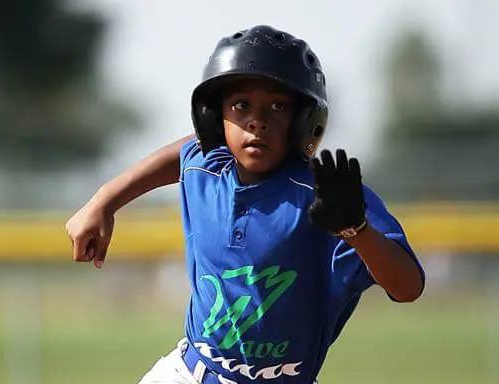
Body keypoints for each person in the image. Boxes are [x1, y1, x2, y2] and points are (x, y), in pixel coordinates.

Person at [65, 25, 425, 384]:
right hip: (187, 374)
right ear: (214, 118)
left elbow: (408, 287)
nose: (258, 121)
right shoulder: (207, 166)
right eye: (241, 105)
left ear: (305, 121)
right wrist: (104, 200)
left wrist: (356, 230)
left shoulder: (329, 195)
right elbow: (184, 152)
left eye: (278, 106)